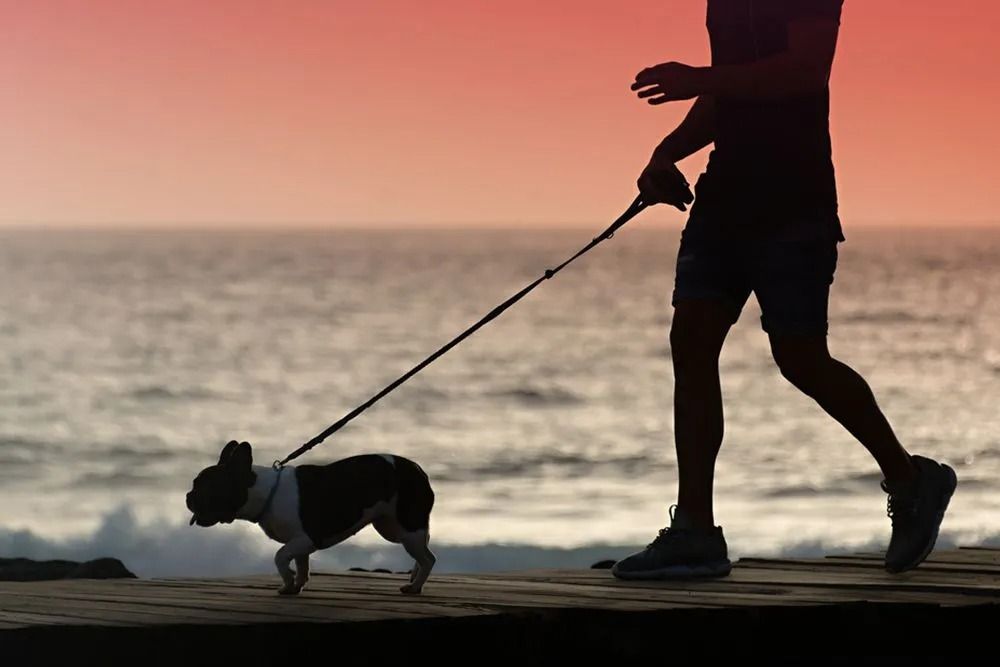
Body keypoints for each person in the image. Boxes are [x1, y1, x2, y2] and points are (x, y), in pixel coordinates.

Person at [612, 0, 957, 580]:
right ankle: (695, 528)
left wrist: (700, 77)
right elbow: (729, 96)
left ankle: (910, 478)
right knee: (691, 337)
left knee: (799, 356)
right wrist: (664, 154)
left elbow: (804, 71)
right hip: (725, 195)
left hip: (794, 199)